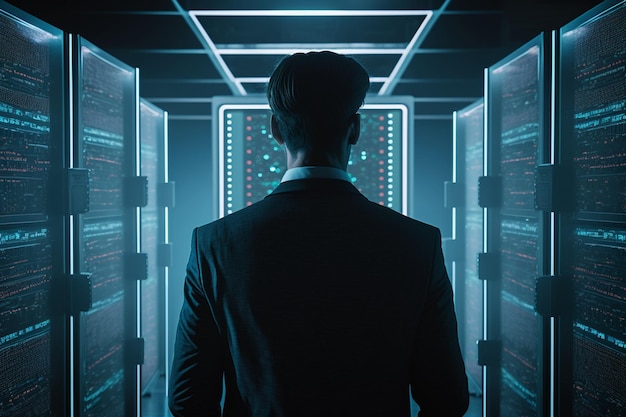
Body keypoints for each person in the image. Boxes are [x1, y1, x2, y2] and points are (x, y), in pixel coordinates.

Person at [169, 51, 469, 417]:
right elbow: (448, 399)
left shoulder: (214, 244)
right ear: (355, 129)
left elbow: (187, 400)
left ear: (275, 128)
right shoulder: (418, 244)